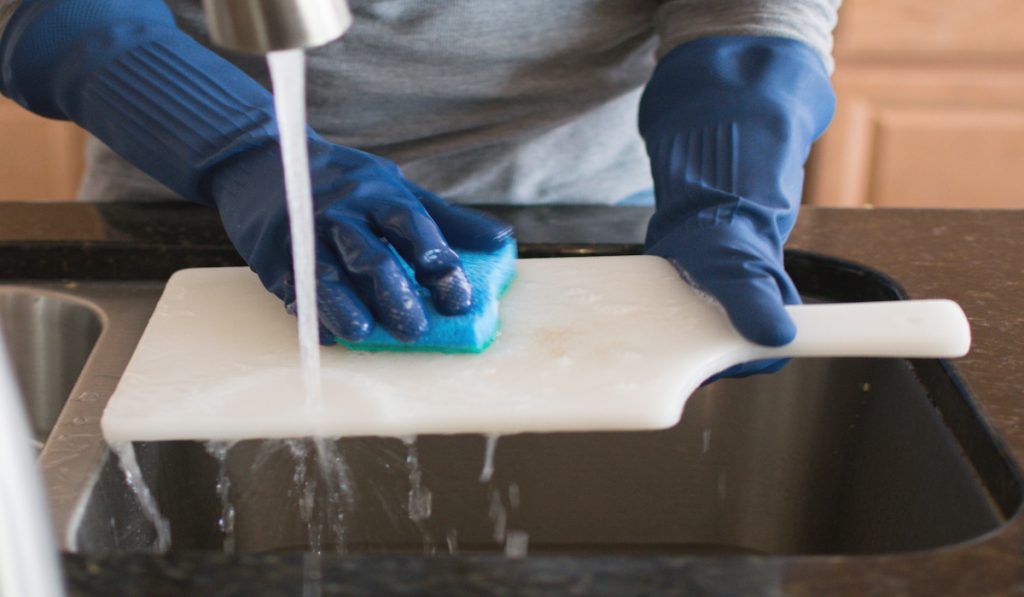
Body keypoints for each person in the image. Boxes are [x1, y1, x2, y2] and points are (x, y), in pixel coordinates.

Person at [0, 0, 837, 377]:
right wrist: (235, 146)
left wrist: (725, 191)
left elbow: (753, 10)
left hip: (587, 211)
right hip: (194, 211)